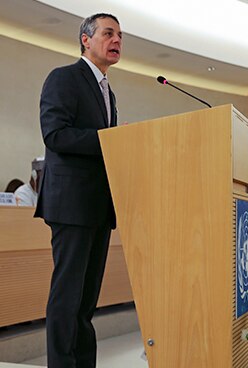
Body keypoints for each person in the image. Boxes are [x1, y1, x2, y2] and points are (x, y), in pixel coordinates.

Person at [34, 13, 122, 368]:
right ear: (86, 39)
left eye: (120, 35)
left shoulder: (108, 92)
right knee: (67, 297)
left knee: (87, 302)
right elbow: (55, 134)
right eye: (108, 33)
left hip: (99, 207)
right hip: (71, 205)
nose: (117, 40)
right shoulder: (64, 78)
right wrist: (111, 140)